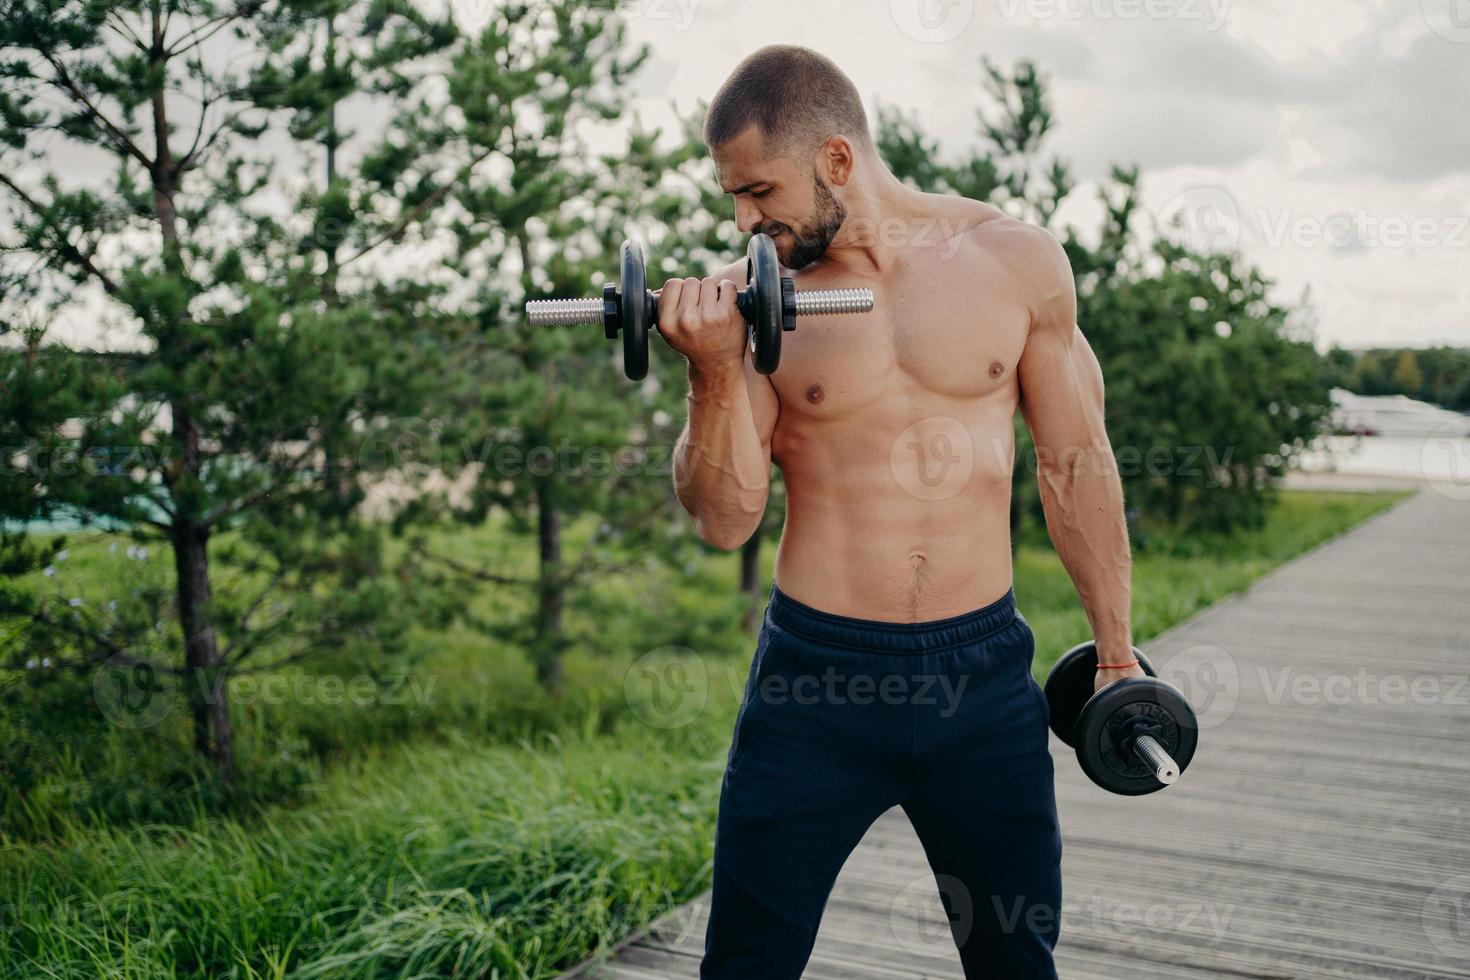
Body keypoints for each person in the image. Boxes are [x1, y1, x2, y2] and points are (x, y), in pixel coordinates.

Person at [659, 45, 1143, 979]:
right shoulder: (755, 303)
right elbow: (725, 520)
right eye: (733, 198)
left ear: (837, 160)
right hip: (813, 687)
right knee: (747, 963)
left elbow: (1077, 463)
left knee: (1015, 959)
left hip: (983, 680)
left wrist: (1116, 655)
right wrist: (712, 372)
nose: (745, 218)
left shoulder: (1016, 262)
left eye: (759, 190)